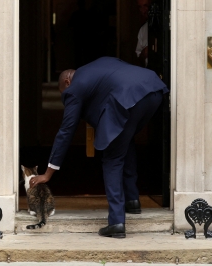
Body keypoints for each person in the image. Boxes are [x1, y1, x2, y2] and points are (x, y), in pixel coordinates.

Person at [29, 57, 168, 238]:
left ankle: (117, 222)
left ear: (67, 82)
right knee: (124, 140)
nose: (67, 99)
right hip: (153, 89)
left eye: (64, 95)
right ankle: (132, 201)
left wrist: (48, 173)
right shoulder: (97, 66)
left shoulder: (75, 87)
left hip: (128, 97)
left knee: (112, 158)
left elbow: (66, 130)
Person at [135, 0, 152, 67]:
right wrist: (144, 54)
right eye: (140, 7)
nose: (143, 10)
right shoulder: (142, 29)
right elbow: (138, 56)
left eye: (145, 6)